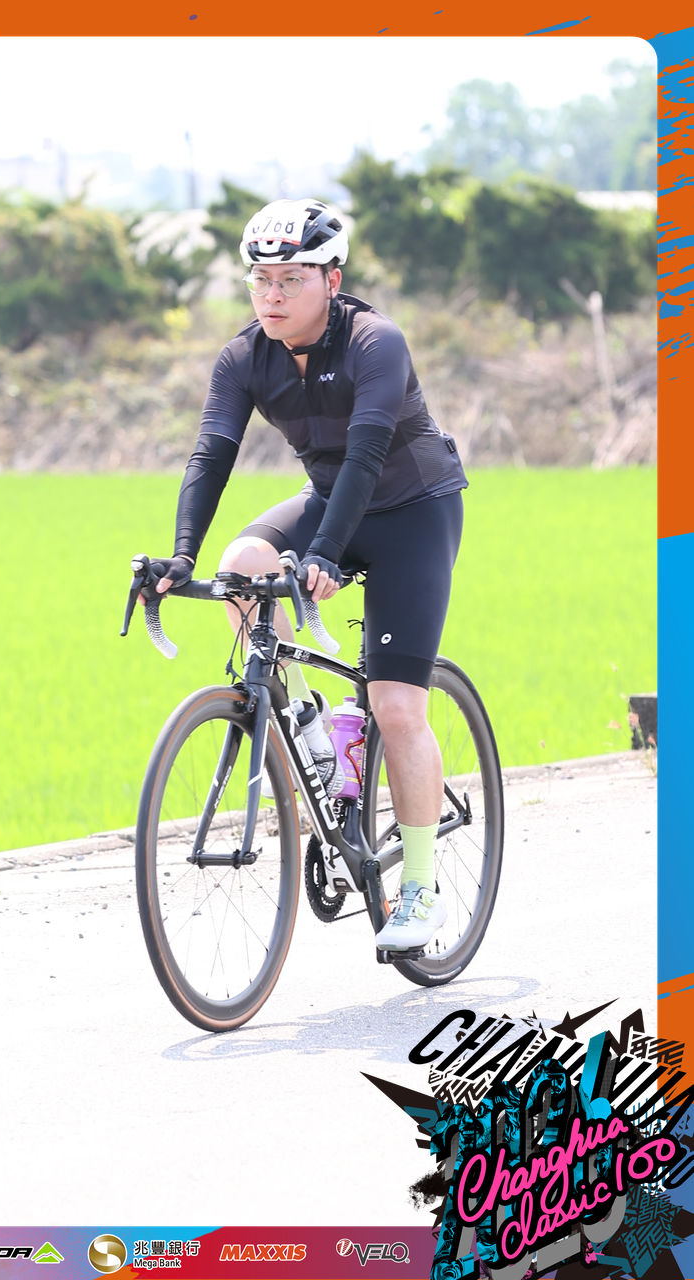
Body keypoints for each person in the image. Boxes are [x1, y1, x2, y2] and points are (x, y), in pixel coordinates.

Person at [146, 197, 468, 951]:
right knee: (239, 568)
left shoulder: (375, 342)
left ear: (332, 279)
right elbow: (210, 455)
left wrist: (324, 552)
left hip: (413, 511)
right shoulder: (243, 358)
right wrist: (182, 555)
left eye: (291, 279)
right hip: (329, 502)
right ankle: (311, 730)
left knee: (396, 705)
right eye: (261, 280)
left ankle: (419, 890)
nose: (273, 295)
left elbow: (365, 453)